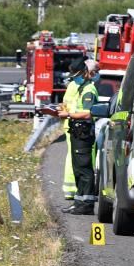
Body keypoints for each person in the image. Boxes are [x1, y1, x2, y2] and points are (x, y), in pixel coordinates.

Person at [59, 60, 99, 215]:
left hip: (83, 133)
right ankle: (78, 202)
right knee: (78, 168)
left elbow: (89, 113)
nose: (75, 79)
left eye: (77, 75)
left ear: (84, 72)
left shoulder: (89, 89)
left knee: (84, 169)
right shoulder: (81, 87)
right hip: (76, 131)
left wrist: (68, 114)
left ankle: (87, 204)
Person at [60, 63, 81, 200]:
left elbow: (64, 105)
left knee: (71, 156)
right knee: (77, 157)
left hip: (70, 124)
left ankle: (70, 189)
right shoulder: (80, 86)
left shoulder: (72, 85)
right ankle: (76, 189)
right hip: (77, 124)